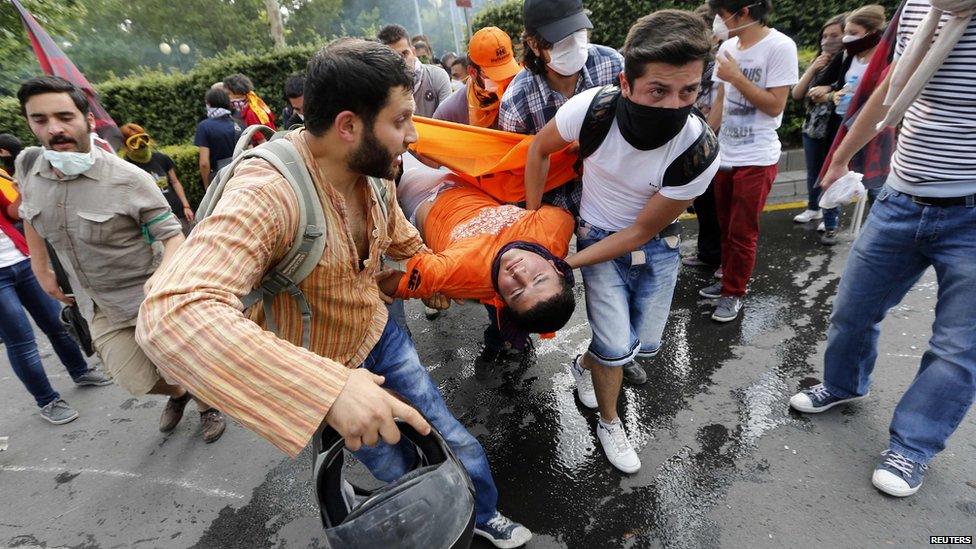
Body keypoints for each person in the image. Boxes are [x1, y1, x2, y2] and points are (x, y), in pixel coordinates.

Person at [136, 39, 531, 547]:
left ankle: (482, 515)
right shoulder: (269, 192)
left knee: (449, 438)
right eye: (402, 120)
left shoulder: (375, 168)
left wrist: (428, 272)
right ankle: (434, 520)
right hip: (324, 364)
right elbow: (172, 313)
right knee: (395, 464)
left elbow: (398, 236)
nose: (413, 136)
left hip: (380, 331)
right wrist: (330, 390)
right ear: (348, 126)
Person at [789, 0, 976, 498]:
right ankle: (845, 384)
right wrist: (840, 156)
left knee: (958, 348)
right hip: (898, 196)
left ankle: (913, 445)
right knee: (853, 310)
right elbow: (888, 88)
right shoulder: (921, 6)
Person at [523, 10, 721, 472]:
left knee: (643, 345)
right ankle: (611, 424)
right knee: (615, 346)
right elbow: (538, 149)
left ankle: (585, 365)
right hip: (595, 236)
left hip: (656, 246)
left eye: (688, 91)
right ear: (625, 84)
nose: (675, 105)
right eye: (659, 89)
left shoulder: (698, 152)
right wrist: (530, 222)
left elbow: (640, 232)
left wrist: (565, 263)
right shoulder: (592, 109)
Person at [16, 75, 226, 443]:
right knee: (134, 380)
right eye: (40, 120)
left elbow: (172, 237)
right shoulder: (28, 164)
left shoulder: (129, 179)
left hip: (149, 295)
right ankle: (179, 393)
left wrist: (162, 279)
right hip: (95, 304)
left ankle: (208, 404)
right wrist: (40, 267)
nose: (54, 129)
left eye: (65, 117)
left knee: (181, 360)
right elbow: (30, 214)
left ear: (88, 120)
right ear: (30, 123)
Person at [378, 154, 576, 335]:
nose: (520, 274)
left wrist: (427, 287)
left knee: (389, 150)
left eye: (516, 292)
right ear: (556, 268)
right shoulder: (554, 232)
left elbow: (389, 284)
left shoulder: (464, 270)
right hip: (467, 173)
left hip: (419, 191)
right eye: (539, 278)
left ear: (502, 301)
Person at [700, 0, 798, 322]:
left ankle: (734, 292)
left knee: (743, 232)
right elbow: (721, 100)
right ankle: (728, 277)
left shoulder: (780, 46)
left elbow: (774, 106)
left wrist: (737, 76)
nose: (717, 20)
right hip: (724, 156)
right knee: (724, 226)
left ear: (742, 12)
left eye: (720, 13)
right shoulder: (728, 46)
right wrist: (705, 138)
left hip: (756, 157)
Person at [1, 141, 111, 424]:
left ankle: (79, 370)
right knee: (21, 340)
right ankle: (47, 400)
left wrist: (25, 186)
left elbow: (14, 213)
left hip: (19, 259)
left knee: (55, 323)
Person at [498, 0, 624, 136]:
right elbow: (517, 156)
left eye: (579, 31)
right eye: (561, 37)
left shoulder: (613, 66)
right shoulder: (516, 106)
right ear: (534, 45)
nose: (575, 44)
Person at [818, 5, 886, 245]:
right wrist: (829, 93)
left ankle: (877, 231)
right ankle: (830, 224)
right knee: (833, 170)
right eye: (846, 31)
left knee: (875, 180)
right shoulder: (848, 55)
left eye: (853, 32)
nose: (847, 38)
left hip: (874, 128)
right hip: (841, 123)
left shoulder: (887, 56)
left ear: (872, 32)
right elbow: (829, 83)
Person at [791, 14, 847, 230]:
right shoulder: (819, 61)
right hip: (813, 127)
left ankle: (830, 215)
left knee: (832, 172)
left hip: (836, 127)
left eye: (835, 35)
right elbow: (797, 93)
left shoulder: (848, 61)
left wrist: (829, 91)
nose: (828, 40)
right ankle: (813, 207)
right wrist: (814, 68)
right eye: (824, 36)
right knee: (814, 171)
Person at [683, 3, 725, 275]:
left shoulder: (724, 58)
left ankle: (723, 260)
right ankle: (709, 254)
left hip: (714, 138)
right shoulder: (702, 58)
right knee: (704, 202)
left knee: (716, 205)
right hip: (701, 132)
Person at [433, 27, 523, 129]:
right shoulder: (449, 114)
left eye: (509, 71)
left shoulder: (525, 93)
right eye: (496, 76)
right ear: (472, 72)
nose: (506, 80)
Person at [119, 123, 195, 232]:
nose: (141, 144)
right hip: (156, 220)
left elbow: (175, 182)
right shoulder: (126, 167)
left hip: (178, 212)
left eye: (143, 138)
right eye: (134, 141)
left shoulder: (161, 158)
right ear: (126, 145)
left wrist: (186, 206)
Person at [378, 24, 452, 117]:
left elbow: (448, 120)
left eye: (404, 54)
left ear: (413, 52)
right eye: (393, 58)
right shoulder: (381, 89)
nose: (401, 61)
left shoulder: (437, 76)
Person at [195, 87, 243, 189]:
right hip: (241, 174)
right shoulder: (239, 123)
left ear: (209, 103)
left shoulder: (204, 126)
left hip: (219, 178)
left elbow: (204, 163)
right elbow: (250, 150)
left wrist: (207, 186)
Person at [223, 73, 276, 144]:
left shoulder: (250, 113)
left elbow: (262, 141)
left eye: (229, 94)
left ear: (238, 92)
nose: (228, 97)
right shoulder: (256, 105)